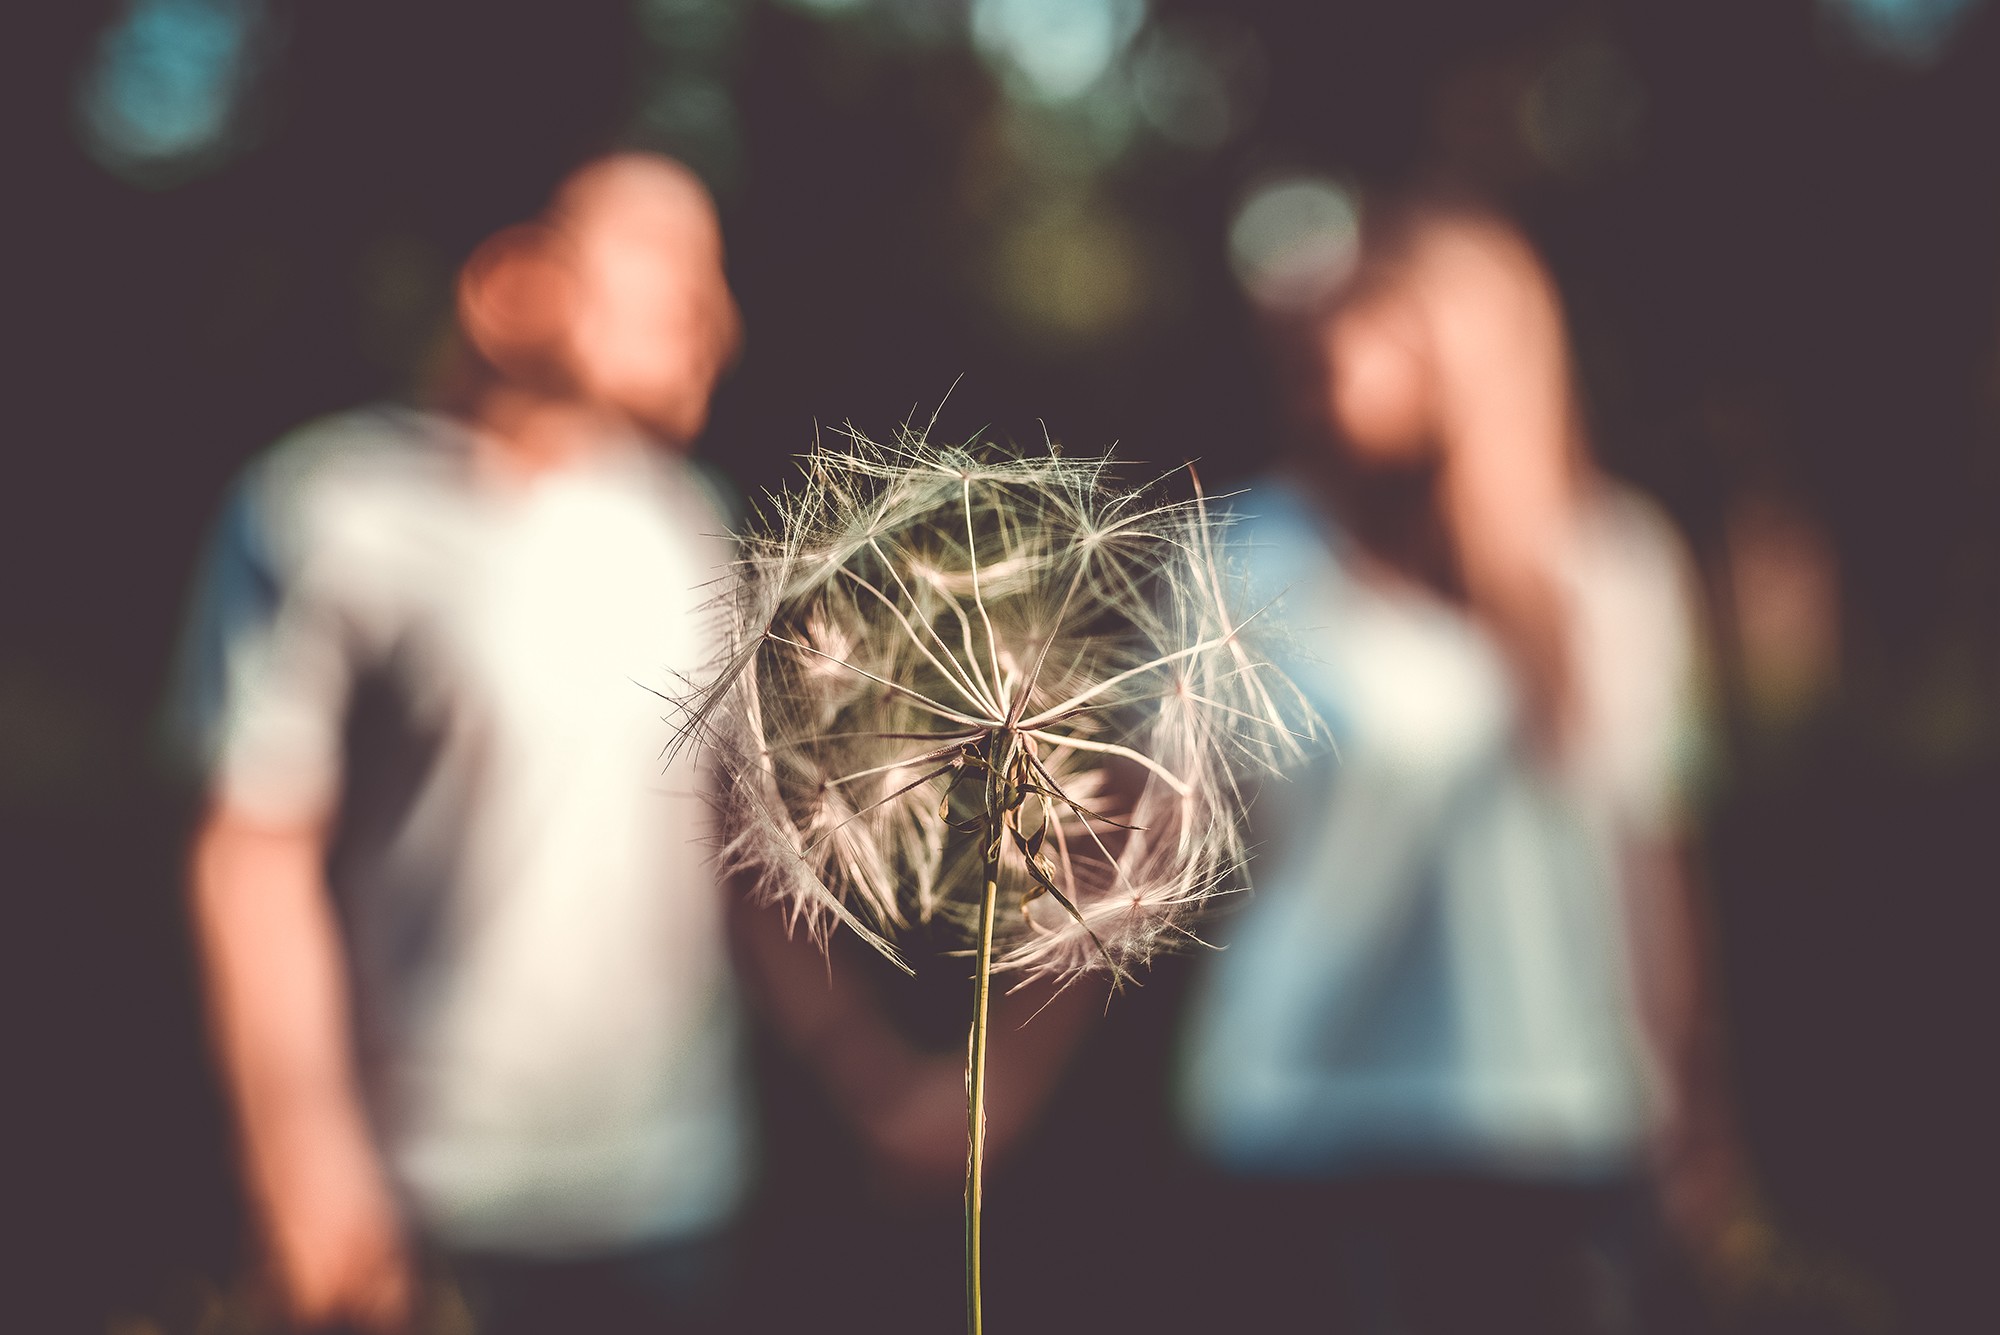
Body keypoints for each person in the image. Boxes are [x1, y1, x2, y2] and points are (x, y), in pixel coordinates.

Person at [171, 153, 750, 1334]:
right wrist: (303, 1162)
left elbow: (741, 842)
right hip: (420, 1190)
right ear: (511, 282)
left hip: (674, 1183)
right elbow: (252, 855)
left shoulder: (697, 529)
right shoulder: (327, 507)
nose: (716, 315)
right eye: (666, 266)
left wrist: (874, 1074)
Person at [1176, 186, 1739, 1334]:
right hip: (1297, 1126)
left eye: (1380, 320)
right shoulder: (1239, 557)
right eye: (1334, 317)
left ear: (1478, 351)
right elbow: (1147, 848)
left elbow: (1647, 857)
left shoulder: (1616, 568)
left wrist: (1695, 1105)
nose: (1332, 347)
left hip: (1557, 1128)